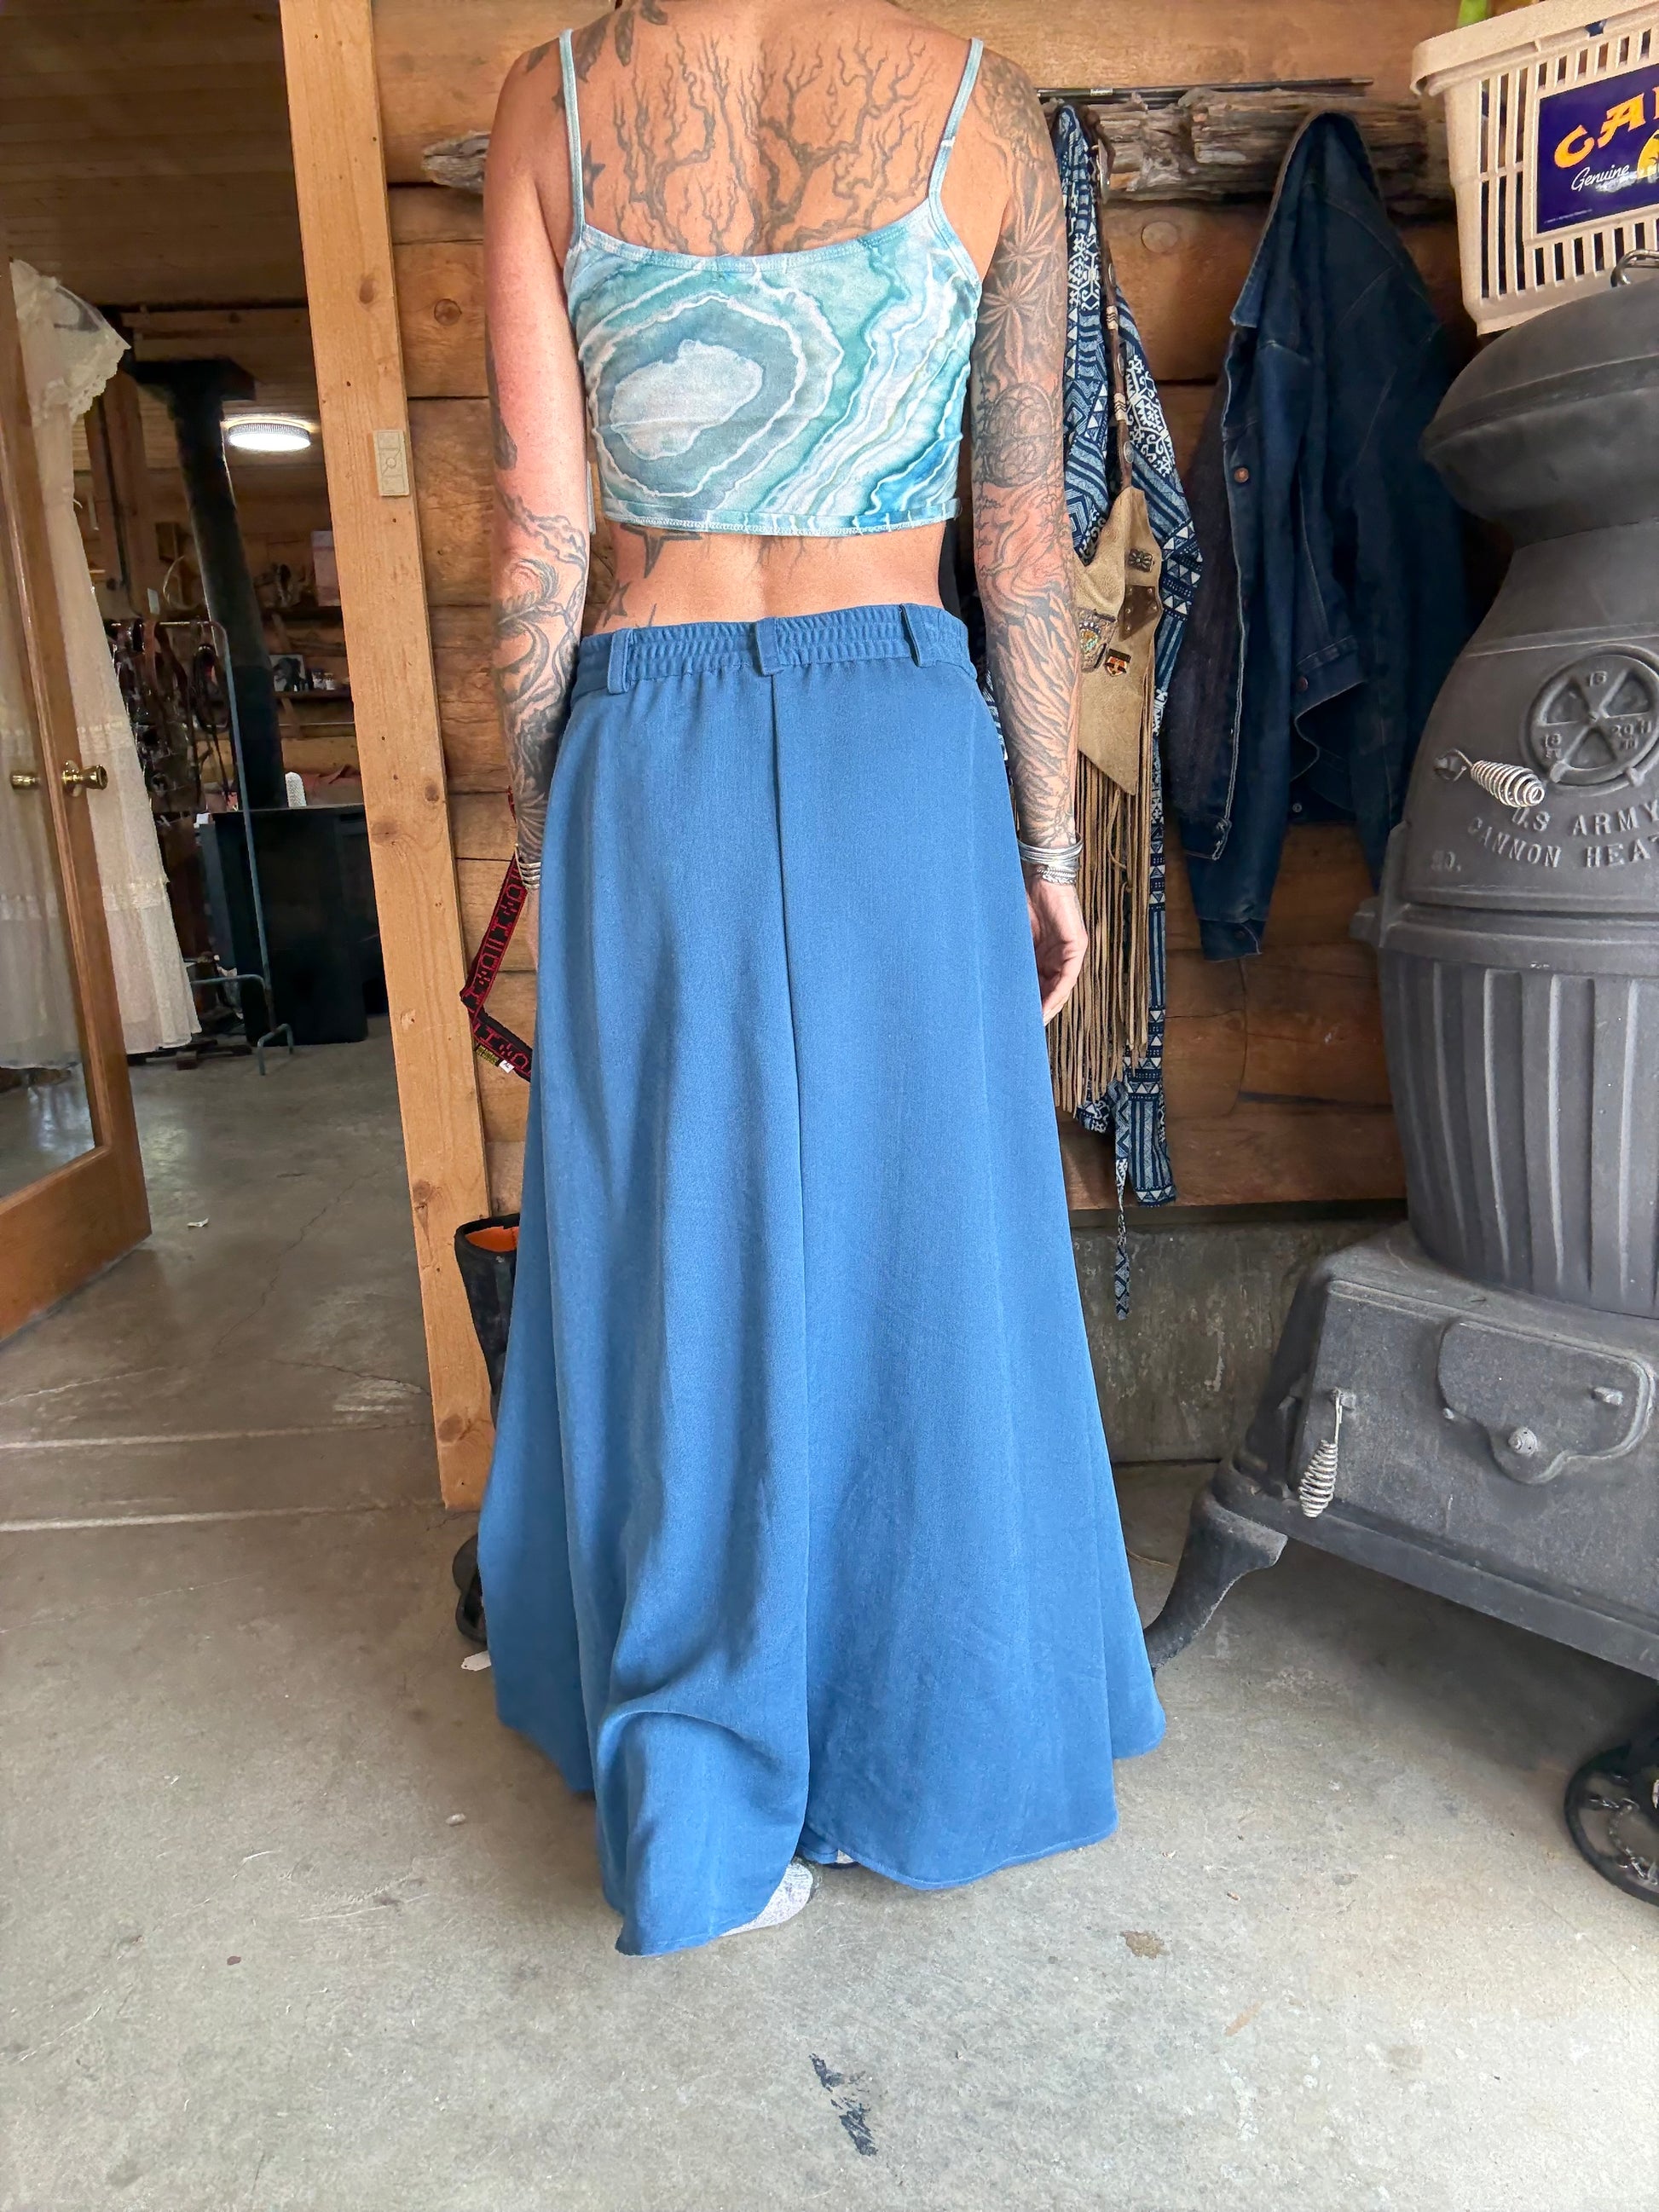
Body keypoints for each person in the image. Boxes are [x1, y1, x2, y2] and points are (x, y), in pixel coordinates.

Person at [476, 0, 1164, 1957]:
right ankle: (927, 1736)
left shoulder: (552, 102)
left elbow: (538, 532)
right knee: (923, 1246)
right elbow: (1018, 540)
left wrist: (553, 820)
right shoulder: (988, 113)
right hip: (899, 740)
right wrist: (1049, 845)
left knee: (674, 1252)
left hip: (652, 734)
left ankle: (698, 1783)